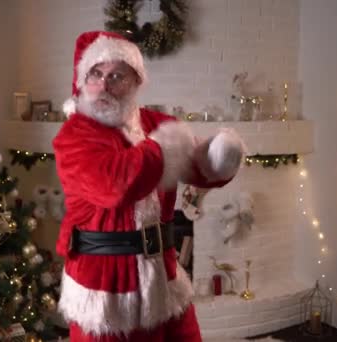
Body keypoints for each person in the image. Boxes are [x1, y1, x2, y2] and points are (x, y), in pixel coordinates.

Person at [53, 31, 245, 342]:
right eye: (96, 74)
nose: (104, 84)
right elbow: (113, 187)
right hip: (105, 285)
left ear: (136, 80)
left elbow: (196, 166)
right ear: (82, 81)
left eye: (116, 75)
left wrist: (218, 158)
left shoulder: (156, 124)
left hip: (162, 274)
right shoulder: (74, 135)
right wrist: (163, 148)